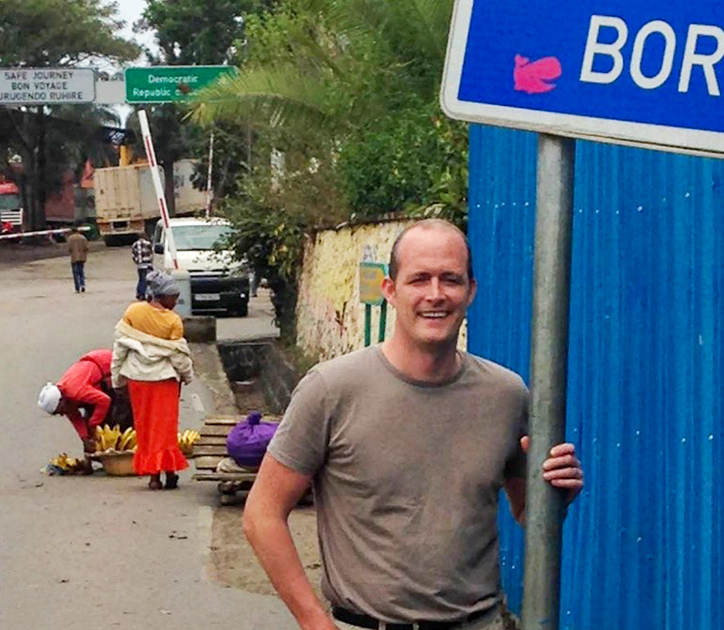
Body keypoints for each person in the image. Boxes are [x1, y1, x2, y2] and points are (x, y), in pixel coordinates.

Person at [243, 219, 584, 630]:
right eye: (419, 279)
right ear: (391, 290)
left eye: (451, 280)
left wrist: (555, 500)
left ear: (471, 291)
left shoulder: (506, 394)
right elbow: (262, 513)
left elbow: (527, 512)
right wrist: (314, 621)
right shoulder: (331, 390)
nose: (435, 295)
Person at [112, 270, 195, 490]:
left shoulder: (133, 312)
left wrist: (117, 379)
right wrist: (187, 376)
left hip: (138, 381)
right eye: (173, 297)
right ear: (162, 296)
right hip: (164, 381)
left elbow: (120, 347)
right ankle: (169, 472)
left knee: (145, 426)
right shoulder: (173, 321)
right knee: (165, 427)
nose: (176, 302)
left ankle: (154, 476)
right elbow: (178, 354)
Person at [38, 349, 133, 453]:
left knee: (119, 418)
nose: (61, 414)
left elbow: (104, 401)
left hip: (109, 369)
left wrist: (93, 423)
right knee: (93, 427)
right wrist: (85, 438)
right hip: (94, 386)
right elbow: (76, 418)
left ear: (62, 401)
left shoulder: (75, 391)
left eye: (59, 411)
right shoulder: (67, 401)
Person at [131, 231, 154, 300]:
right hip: (147, 264)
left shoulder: (134, 244)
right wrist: (151, 261)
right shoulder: (148, 243)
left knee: (141, 279)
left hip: (140, 266)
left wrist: (137, 261)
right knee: (146, 280)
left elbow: (133, 255)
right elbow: (151, 253)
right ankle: (143, 294)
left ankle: (139, 293)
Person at [67, 225, 88, 293]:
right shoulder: (83, 237)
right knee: (81, 271)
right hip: (82, 257)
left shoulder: (70, 238)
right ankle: (83, 285)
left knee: (75, 273)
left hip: (74, 258)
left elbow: (69, 248)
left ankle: (77, 287)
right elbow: (86, 247)